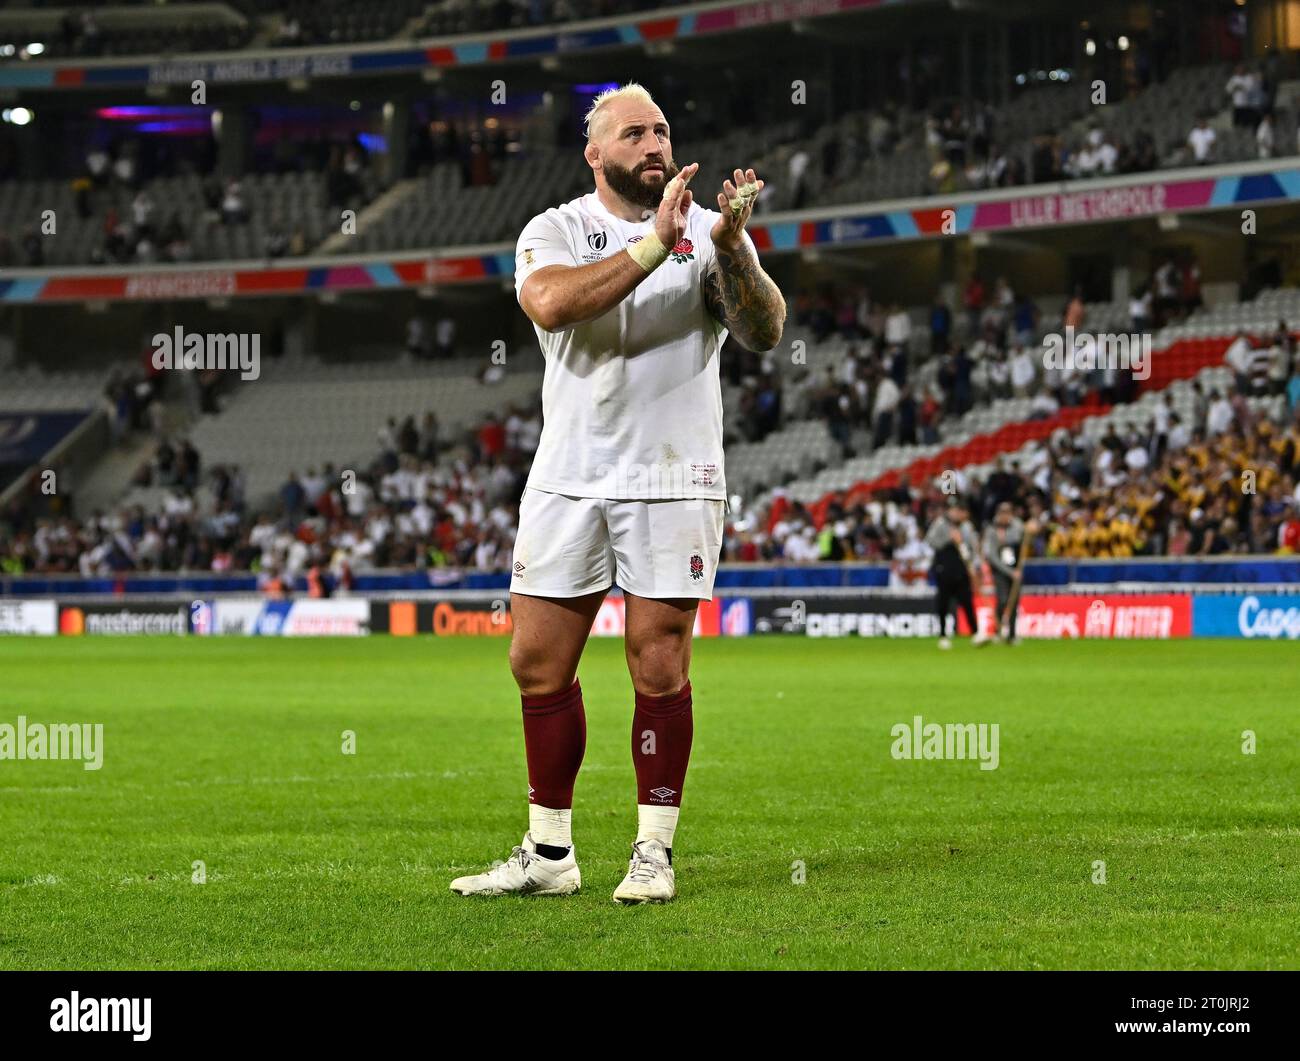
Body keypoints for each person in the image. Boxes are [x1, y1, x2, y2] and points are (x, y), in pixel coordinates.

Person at [450, 83, 785, 904]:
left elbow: (766, 329)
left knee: (659, 664)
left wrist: (733, 245)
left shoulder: (711, 233)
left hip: (673, 474)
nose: (655, 144)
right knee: (535, 662)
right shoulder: (554, 229)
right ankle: (550, 852)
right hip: (568, 473)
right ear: (595, 153)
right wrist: (650, 246)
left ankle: (652, 851)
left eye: (663, 129)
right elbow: (552, 303)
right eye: (633, 132)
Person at [925, 500, 988, 649]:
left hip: (962, 569)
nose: (957, 514)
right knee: (943, 603)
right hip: (944, 568)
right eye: (955, 510)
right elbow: (930, 541)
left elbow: (972, 547)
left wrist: (974, 563)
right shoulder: (941, 524)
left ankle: (976, 633)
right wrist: (948, 540)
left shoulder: (966, 526)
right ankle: (943, 635)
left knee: (967, 602)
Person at [983, 502, 1033, 644]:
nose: (1005, 516)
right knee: (1003, 600)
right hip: (1000, 571)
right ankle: (998, 631)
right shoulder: (992, 530)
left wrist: (1030, 530)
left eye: (1008, 513)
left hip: (1015, 569)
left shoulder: (1017, 526)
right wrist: (1010, 572)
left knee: (1015, 601)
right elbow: (992, 556)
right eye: (1002, 513)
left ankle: (1011, 635)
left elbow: (1026, 538)